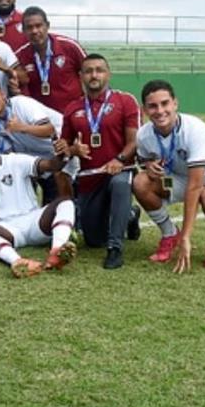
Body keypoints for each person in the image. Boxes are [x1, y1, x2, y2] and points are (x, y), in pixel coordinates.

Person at [133, 80, 205, 273]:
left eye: (165, 103)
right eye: (153, 106)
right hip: (181, 176)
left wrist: (187, 236)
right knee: (141, 182)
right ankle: (169, 235)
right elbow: (143, 159)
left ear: (175, 103)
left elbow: (195, 186)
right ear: (145, 109)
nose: (160, 111)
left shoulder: (195, 129)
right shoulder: (144, 134)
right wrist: (149, 166)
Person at [58, 54, 142, 269]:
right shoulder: (72, 108)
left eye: (99, 70)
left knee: (121, 183)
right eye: (88, 71)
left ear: (108, 74)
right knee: (94, 240)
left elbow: (135, 142)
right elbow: (63, 148)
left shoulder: (125, 101)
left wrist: (119, 159)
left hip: (119, 170)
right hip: (90, 177)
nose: (94, 75)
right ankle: (131, 215)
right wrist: (73, 149)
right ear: (81, 76)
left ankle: (115, 249)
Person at [0, 127, 77, 278]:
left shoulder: (15, 160)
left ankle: (57, 251)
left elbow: (51, 165)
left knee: (66, 202)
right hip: (8, 230)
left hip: (34, 221)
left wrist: (62, 154)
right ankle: (18, 261)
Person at [0, 78, 66, 202]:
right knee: (52, 209)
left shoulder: (21, 104)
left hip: (66, 152)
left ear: (2, 94)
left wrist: (21, 127)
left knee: (71, 206)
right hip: (43, 166)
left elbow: (50, 130)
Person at [14, 6, 86, 113]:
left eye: (38, 26)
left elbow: (91, 72)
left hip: (73, 115)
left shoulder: (70, 46)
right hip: (42, 120)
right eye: (29, 27)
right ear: (24, 31)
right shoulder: (20, 56)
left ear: (47, 26)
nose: (34, 31)